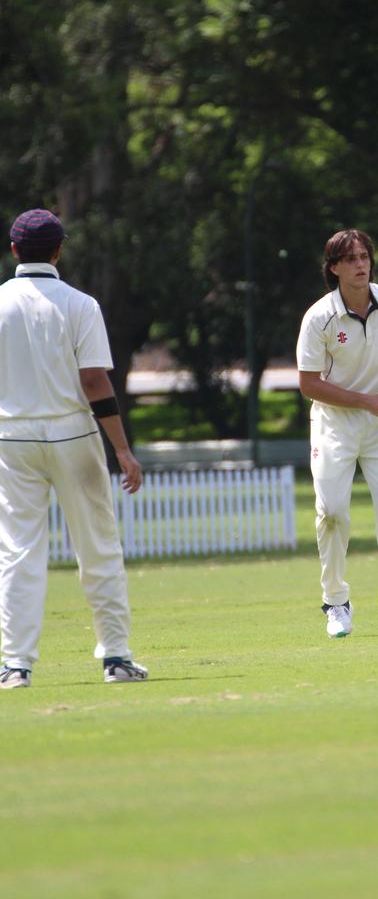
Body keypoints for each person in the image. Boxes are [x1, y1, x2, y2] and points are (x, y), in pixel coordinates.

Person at [0, 209, 148, 688]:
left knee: (18, 552)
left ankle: (15, 665)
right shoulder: (80, 304)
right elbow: (93, 381)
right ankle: (117, 658)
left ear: (14, 249)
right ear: (59, 250)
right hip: (72, 435)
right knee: (97, 546)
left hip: (12, 438)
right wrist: (122, 450)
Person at [296, 228, 378, 638]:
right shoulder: (320, 317)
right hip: (334, 423)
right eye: (350, 258)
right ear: (333, 268)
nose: (360, 264)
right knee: (332, 513)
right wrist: (367, 400)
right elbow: (308, 384)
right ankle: (336, 602)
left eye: (364, 256)